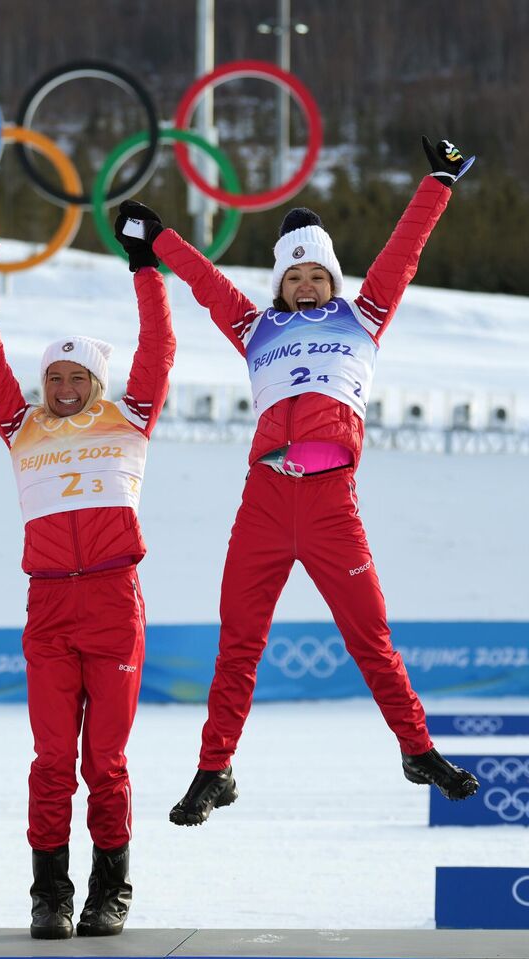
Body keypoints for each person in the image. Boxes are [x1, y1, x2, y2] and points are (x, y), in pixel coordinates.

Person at [117, 137, 481, 827]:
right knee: (240, 641)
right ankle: (214, 768)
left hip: (329, 501)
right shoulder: (255, 328)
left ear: (333, 280)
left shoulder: (364, 315)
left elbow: (401, 254)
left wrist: (438, 180)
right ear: (279, 283)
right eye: (294, 276)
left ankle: (417, 747)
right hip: (264, 499)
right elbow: (207, 284)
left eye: (317, 274)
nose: (306, 285)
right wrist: (159, 237)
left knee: (370, 635)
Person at [0, 210, 174, 938]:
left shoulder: (130, 417)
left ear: (97, 381)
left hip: (115, 599)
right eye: (52, 375)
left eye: (74, 375)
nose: (60, 385)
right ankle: (50, 892)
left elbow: (161, 344)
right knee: (52, 757)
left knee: (105, 760)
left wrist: (145, 265)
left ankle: (110, 890)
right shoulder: (20, 426)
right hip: (49, 605)